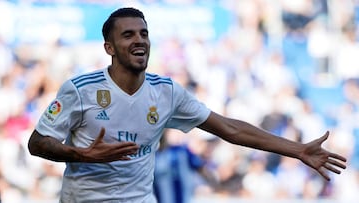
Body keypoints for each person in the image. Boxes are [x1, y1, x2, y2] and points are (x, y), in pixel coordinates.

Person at [27, 7, 347, 203]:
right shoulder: (80, 90)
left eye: (144, 33)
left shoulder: (166, 92)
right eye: (128, 35)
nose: (139, 40)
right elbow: (37, 142)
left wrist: (298, 150)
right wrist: (81, 154)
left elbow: (230, 129)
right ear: (109, 47)